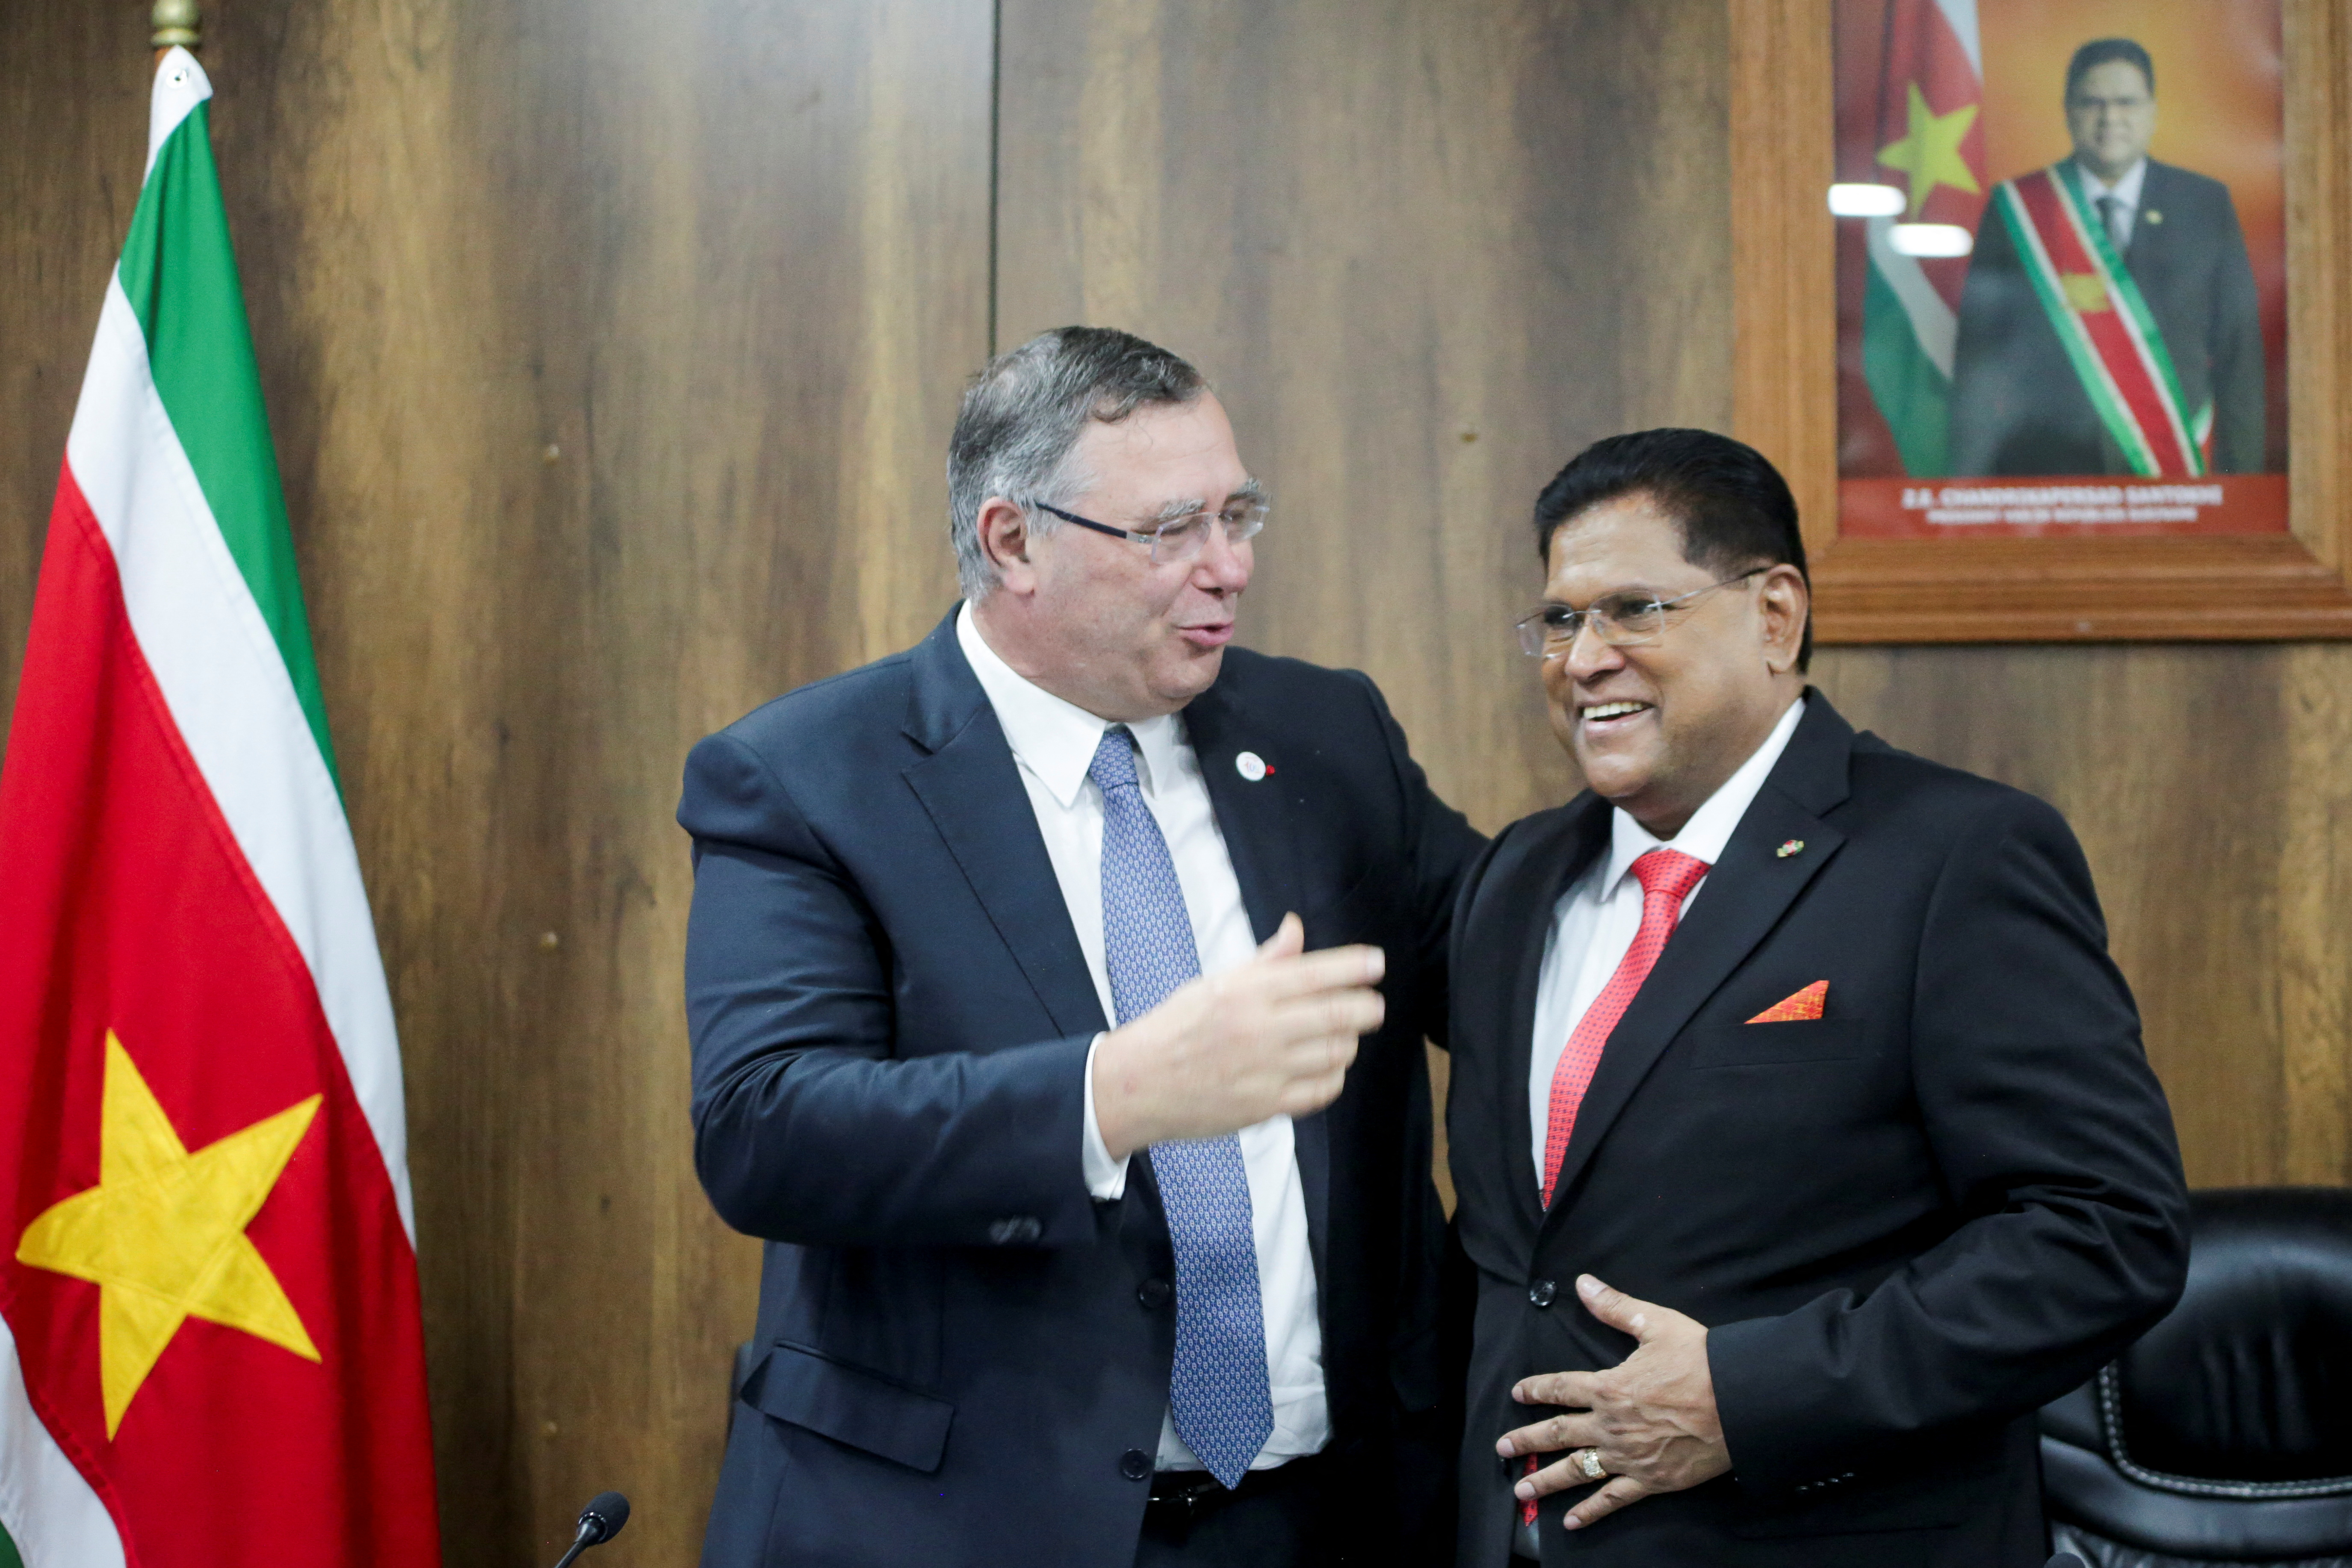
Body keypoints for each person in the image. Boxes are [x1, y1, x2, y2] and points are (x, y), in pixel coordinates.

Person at [680, 327, 1481, 1568]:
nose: (1231, 568)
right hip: (960, 1524)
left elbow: (1513, 978)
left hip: (1325, 1518)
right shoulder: (807, 778)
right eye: (1172, 531)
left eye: (1239, 513)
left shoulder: (1325, 734)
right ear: (1013, 543)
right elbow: (767, 1130)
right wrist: (1114, 1096)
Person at [1444, 427, 2189, 1565]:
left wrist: (1748, 1395)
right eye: (1558, 619)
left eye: (1633, 609)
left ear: (1775, 614)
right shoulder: (1513, 880)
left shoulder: (1952, 858)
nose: (1582, 657)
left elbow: (2102, 1231)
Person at [1950, 38, 2266, 477]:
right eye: (2091, 103)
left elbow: (2239, 358)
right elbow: (1978, 365)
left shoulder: (2204, 205)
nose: (2109, 119)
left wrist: (2242, 486)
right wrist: (1967, 491)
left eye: (2126, 103)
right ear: (2067, 111)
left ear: (2152, 111)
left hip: (2176, 469)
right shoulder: (2016, 209)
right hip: (2045, 478)